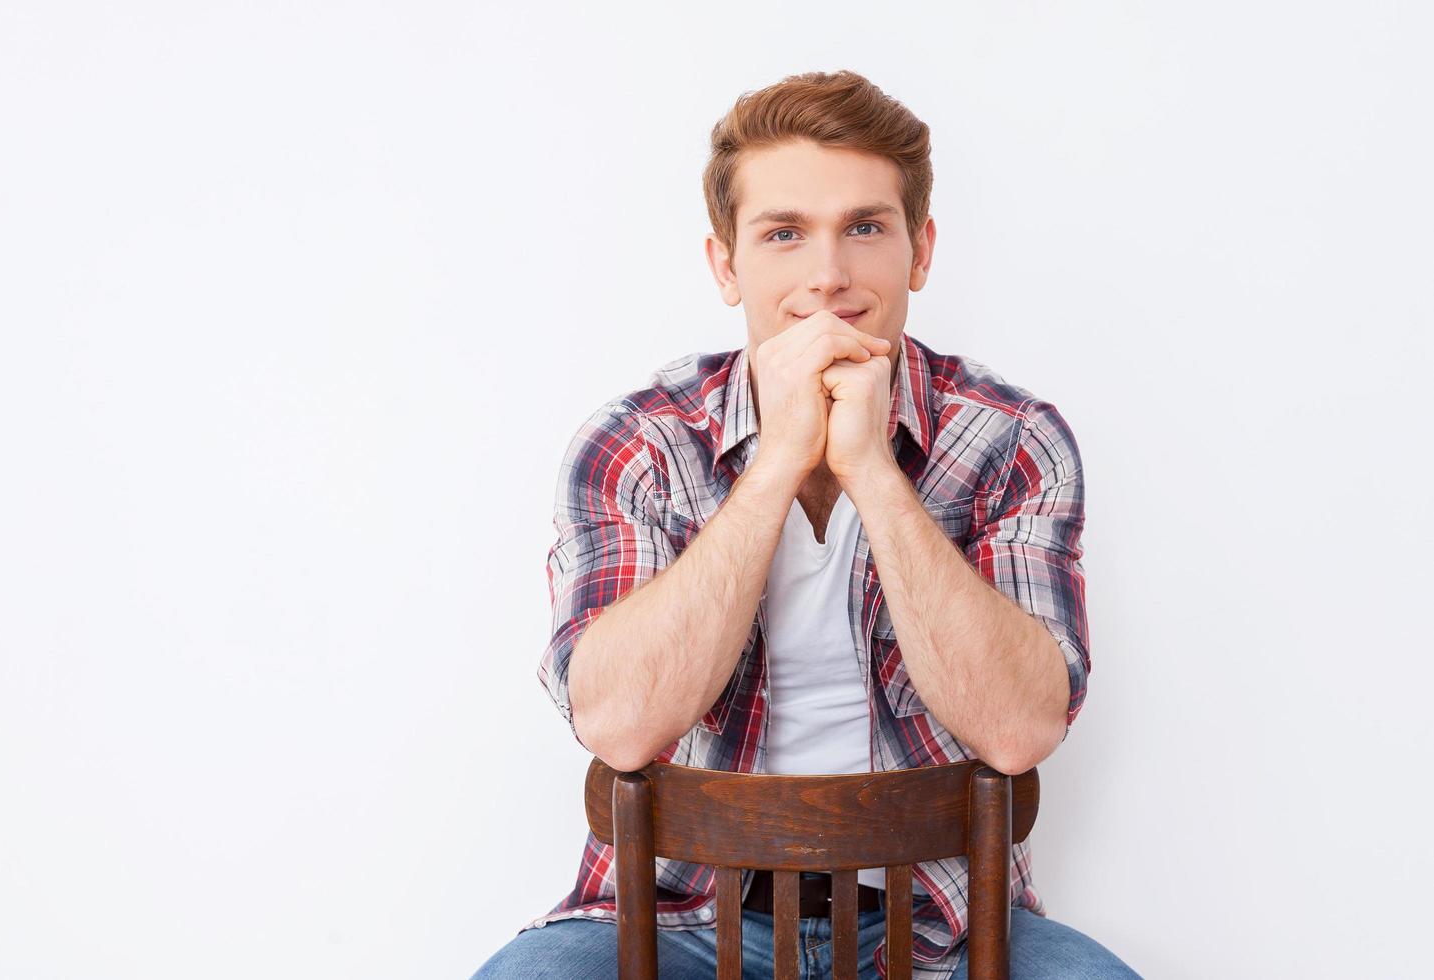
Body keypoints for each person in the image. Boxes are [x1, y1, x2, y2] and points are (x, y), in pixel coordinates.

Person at [473, 70, 1140, 979]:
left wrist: (868, 467)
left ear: (920, 252)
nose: (827, 276)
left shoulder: (1011, 437)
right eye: (783, 234)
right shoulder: (636, 441)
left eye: (865, 228)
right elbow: (619, 723)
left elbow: (1020, 728)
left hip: (947, 919)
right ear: (725, 264)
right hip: (680, 917)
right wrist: (779, 457)